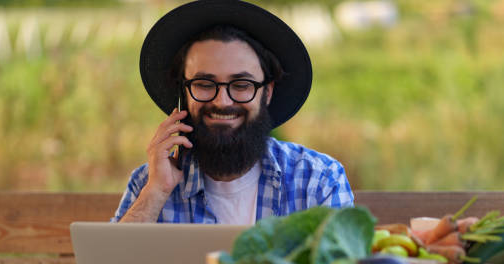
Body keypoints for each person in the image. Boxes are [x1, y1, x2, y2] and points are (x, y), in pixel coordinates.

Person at [112, 0, 354, 224]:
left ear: (267, 92)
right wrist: (156, 193)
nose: (222, 101)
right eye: (204, 84)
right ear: (183, 92)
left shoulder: (318, 180)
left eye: (241, 85)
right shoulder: (149, 183)